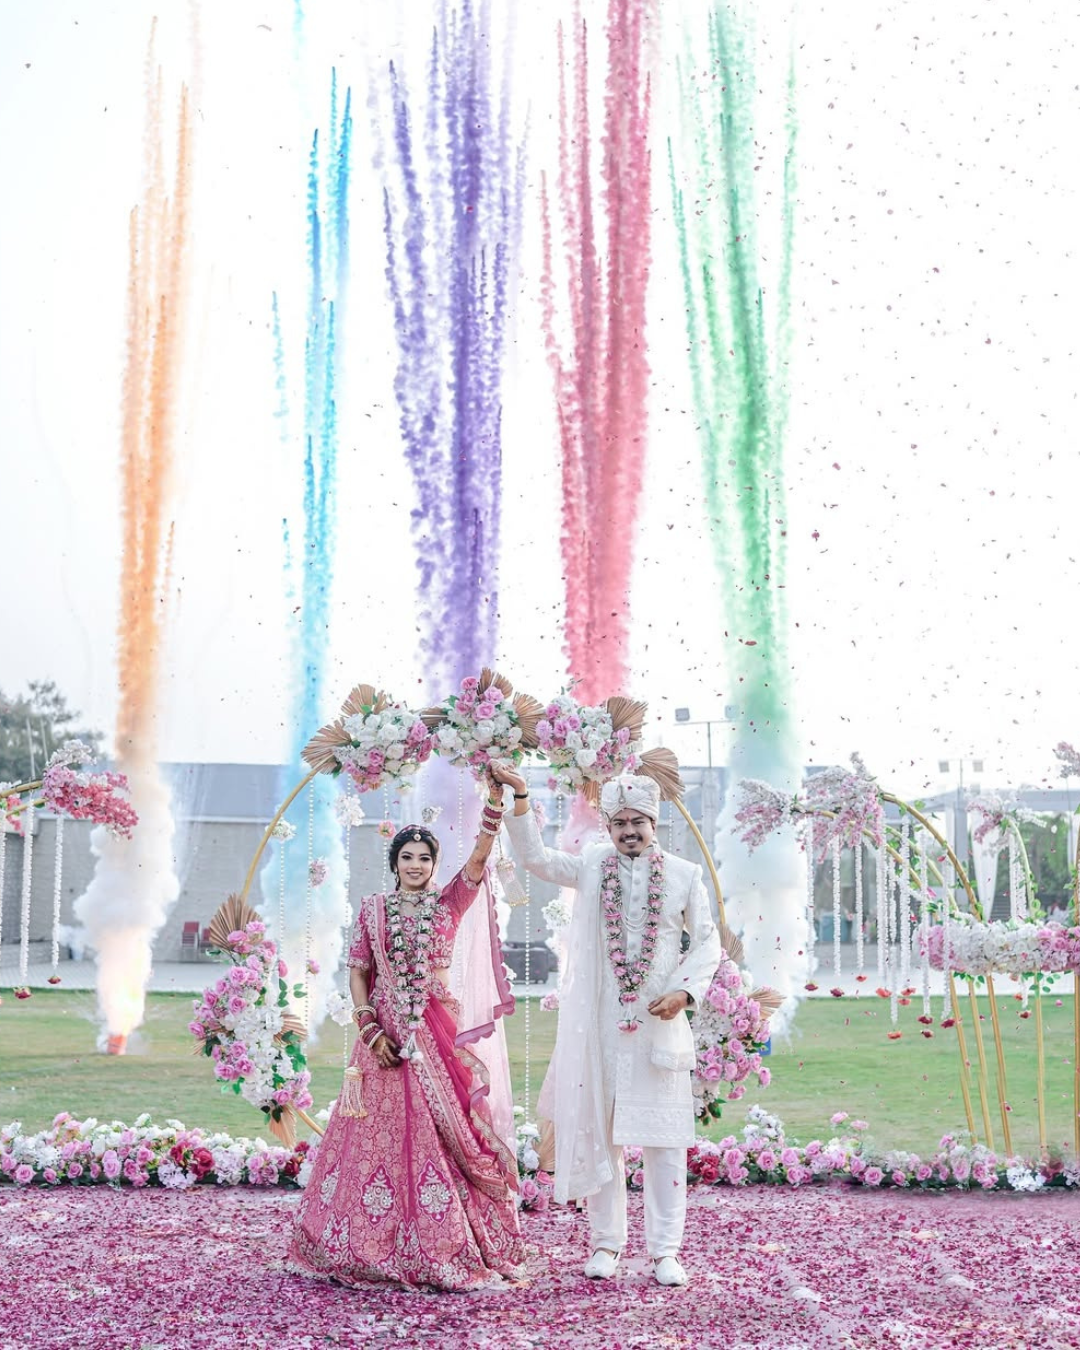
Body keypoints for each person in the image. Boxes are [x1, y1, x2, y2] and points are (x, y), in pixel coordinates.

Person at [289, 784, 525, 1290]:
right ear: (395, 863)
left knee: (444, 1135)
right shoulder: (373, 909)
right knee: (374, 1141)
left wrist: (495, 804)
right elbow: (358, 971)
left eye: (425, 857)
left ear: (435, 864)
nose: (416, 865)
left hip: (436, 1035)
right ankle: (366, 1241)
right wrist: (369, 1026)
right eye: (407, 857)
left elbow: (480, 859)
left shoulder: (449, 905)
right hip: (381, 1040)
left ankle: (445, 1241)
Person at [494, 766, 720, 1288]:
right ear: (609, 827)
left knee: (664, 1144)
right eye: (618, 823)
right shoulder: (594, 864)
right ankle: (606, 1244)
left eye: (637, 821)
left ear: (653, 823)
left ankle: (666, 1250)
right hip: (601, 1030)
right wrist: (522, 797)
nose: (628, 832)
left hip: (659, 1028)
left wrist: (685, 991)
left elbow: (707, 941)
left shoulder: (684, 874)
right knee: (604, 1136)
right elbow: (536, 859)